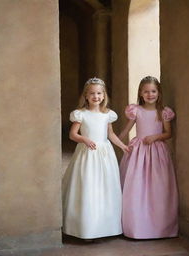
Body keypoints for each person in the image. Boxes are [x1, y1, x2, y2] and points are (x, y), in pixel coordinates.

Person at [62, 77, 129, 239]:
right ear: (86, 96)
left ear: (104, 95)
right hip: (88, 154)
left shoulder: (107, 115)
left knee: (105, 188)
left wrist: (123, 146)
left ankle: (106, 227)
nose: (96, 97)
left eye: (99, 93)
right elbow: (72, 134)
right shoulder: (81, 114)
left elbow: (110, 134)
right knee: (88, 186)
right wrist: (84, 139)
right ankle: (87, 228)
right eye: (92, 94)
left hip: (105, 155)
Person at [119, 76, 178, 239]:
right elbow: (126, 130)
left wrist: (155, 137)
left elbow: (168, 133)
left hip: (157, 153)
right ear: (140, 93)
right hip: (139, 153)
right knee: (137, 187)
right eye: (146, 91)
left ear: (158, 93)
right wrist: (113, 139)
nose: (150, 94)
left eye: (153, 91)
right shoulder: (136, 110)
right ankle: (137, 226)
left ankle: (159, 227)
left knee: (158, 187)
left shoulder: (163, 112)